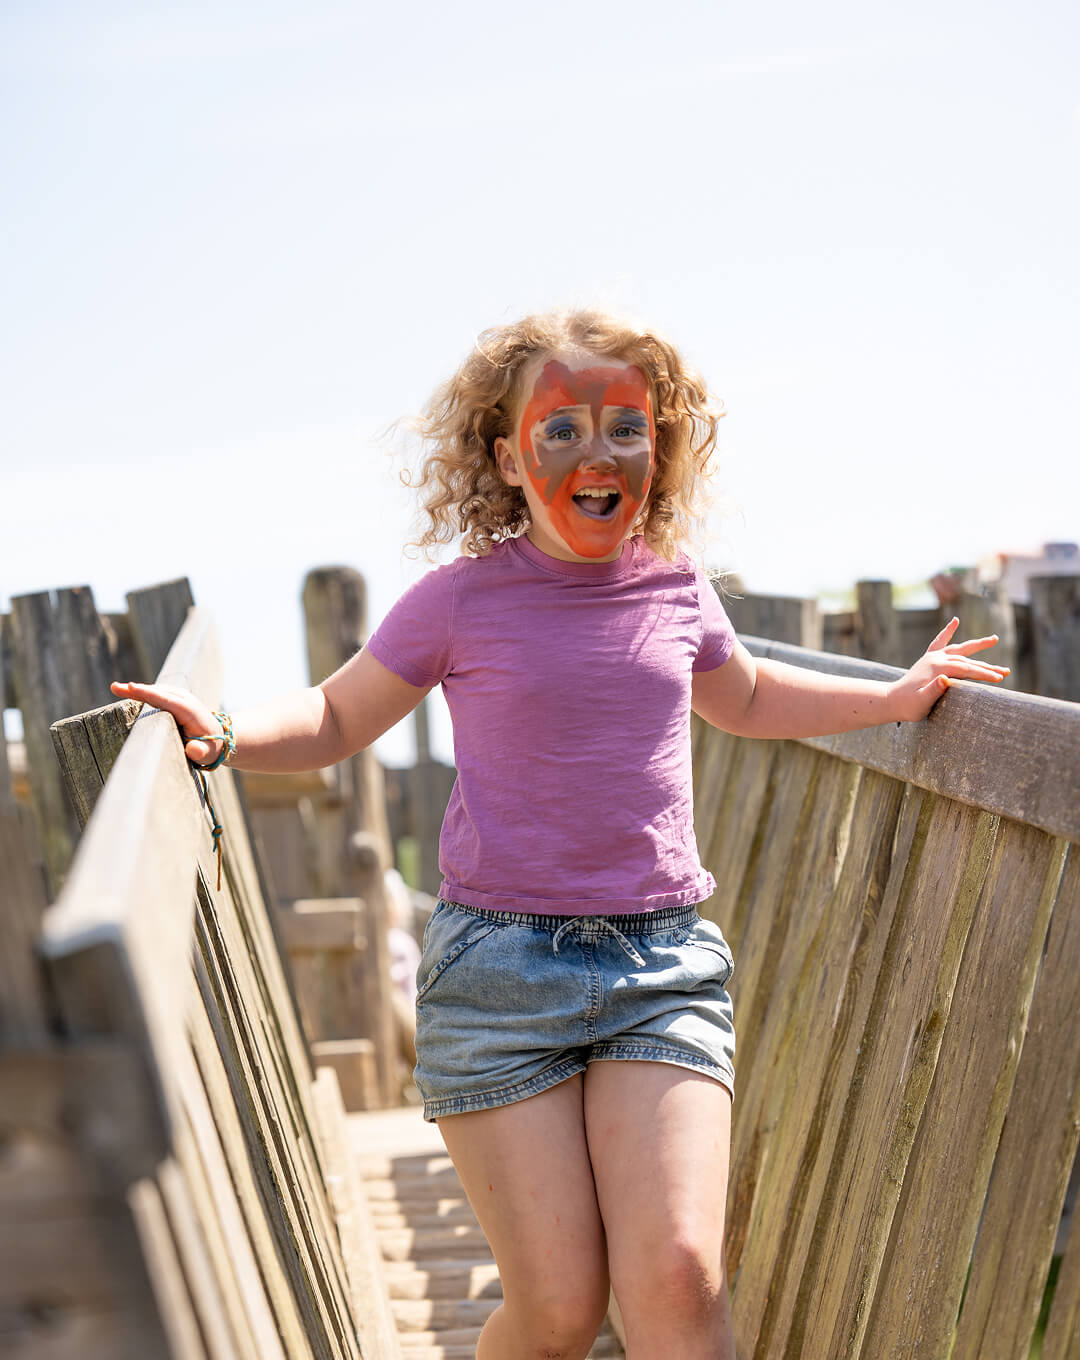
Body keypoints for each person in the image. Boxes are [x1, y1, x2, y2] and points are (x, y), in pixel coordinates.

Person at [112, 309, 1007, 1360]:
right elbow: (337, 717)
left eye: (625, 426)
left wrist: (895, 701)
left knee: (679, 1275)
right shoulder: (457, 602)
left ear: (658, 447)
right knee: (560, 1310)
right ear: (505, 456)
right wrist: (222, 728)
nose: (598, 452)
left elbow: (751, 697)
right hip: (499, 974)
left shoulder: (677, 589)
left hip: (661, 963)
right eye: (562, 428)